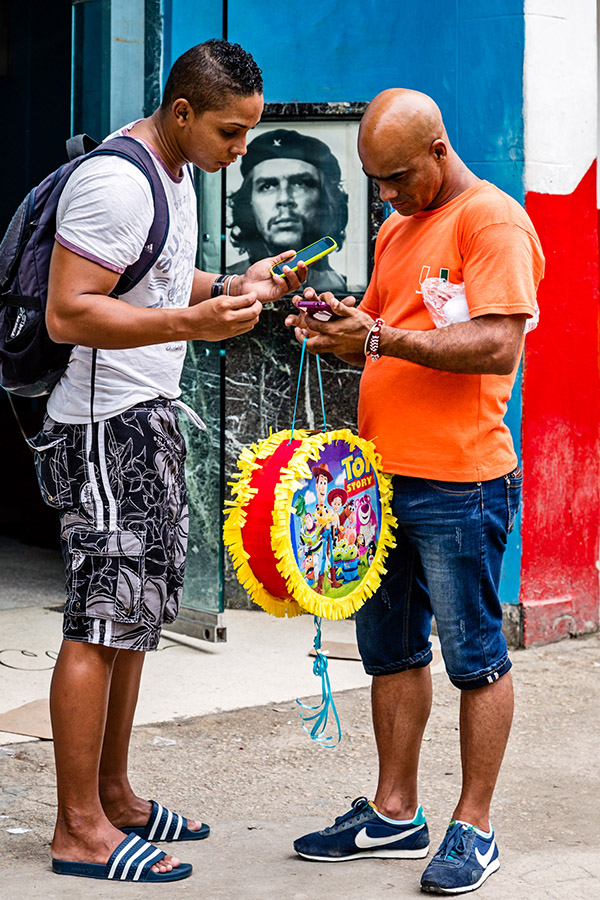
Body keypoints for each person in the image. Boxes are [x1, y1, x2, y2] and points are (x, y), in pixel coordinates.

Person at [38, 40, 306, 884]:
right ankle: (77, 828)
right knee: (100, 619)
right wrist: (193, 327)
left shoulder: (178, 174)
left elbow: (151, 281)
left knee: (138, 619)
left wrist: (232, 285)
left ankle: (114, 794)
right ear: (182, 112)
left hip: (145, 413)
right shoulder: (117, 181)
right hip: (99, 424)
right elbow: (67, 312)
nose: (239, 152)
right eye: (231, 133)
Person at [285, 88, 544, 895]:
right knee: (389, 652)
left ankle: (475, 825)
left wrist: (380, 336)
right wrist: (338, 329)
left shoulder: (490, 221)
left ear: (438, 149)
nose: (387, 196)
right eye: (376, 182)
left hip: (460, 481)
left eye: (397, 177)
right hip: (380, 477)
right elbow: (383, 336)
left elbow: (498, 343)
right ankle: (395, 812)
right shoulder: (403, 224)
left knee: (475, 658)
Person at [227, 128, 348, 292]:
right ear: (249, 202)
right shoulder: (227, 284)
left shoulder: (343, 286)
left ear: (326, 199)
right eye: (267, 186)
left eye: (300, 183)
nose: (284, 199)